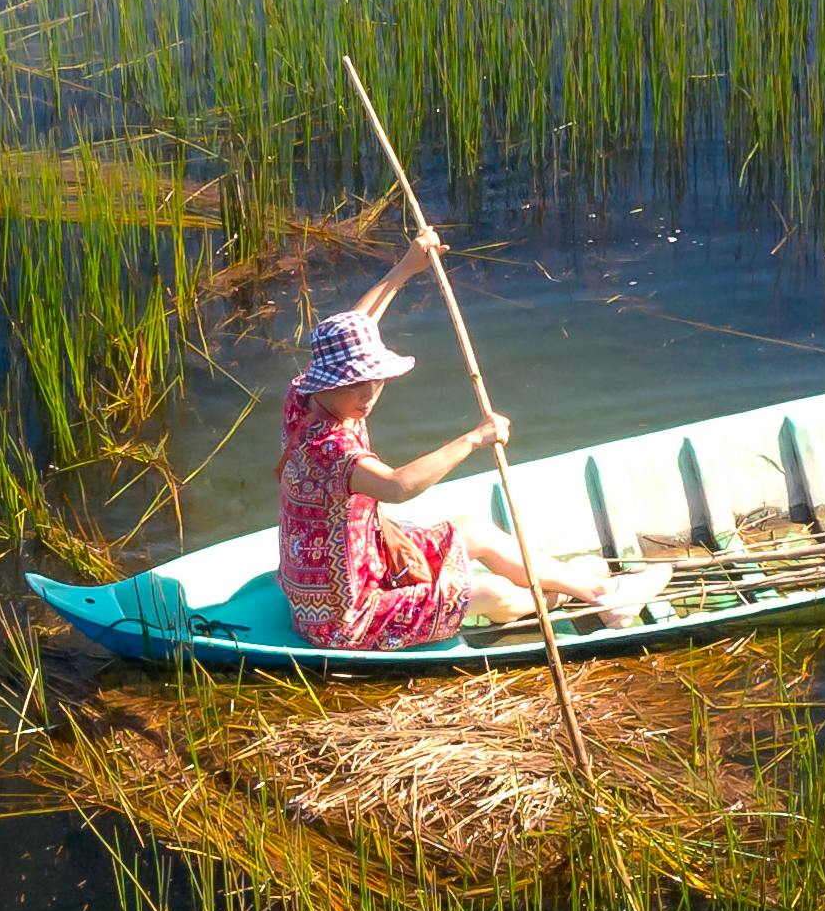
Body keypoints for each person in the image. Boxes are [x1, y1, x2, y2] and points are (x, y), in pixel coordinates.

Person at [276, 229, 656, 646]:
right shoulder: (328, 446)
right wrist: (475, 439)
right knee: (492, 594)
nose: (368, 395)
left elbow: (357, 325)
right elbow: (397, 487)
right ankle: (592, 595)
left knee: (474, 530)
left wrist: (406, 266)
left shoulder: (303, 397)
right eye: (355, 385)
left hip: (363, 561)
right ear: (328, 382)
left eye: (376, 381)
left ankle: (590, 590)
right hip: (345, 617)